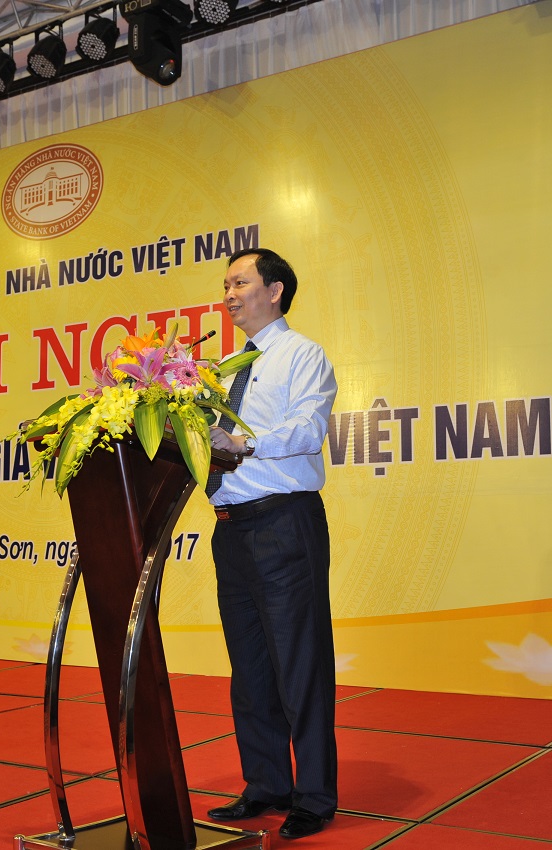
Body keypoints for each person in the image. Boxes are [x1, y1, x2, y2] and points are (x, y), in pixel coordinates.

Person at [204, 248, 339, 840]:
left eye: (240, 282)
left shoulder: (302, 355)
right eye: (226, 285)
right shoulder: (222, 368)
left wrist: (243, 443)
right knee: (250, 667)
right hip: (231, 529)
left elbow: (308, 429)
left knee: (299, 663)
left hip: (284, 524)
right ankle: (266, 784)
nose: (229, 295)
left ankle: (313, 796)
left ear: (275, 290)